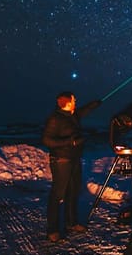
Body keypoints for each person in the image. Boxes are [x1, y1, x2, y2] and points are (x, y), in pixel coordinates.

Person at [41, 91, 101, 242]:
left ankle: (71, 223)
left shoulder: (72, 115)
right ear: (67, 103)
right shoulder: (55, 118)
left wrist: (96, 103)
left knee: (73, 192)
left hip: (74, 159)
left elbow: (84, 110)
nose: (76, 101)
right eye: (74, 99)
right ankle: (52, 230)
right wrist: (70, 142)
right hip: (61, 161)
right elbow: (47, 140)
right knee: (58, 194)